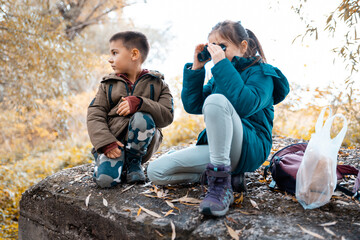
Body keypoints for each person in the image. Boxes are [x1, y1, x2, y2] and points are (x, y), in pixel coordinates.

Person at [147, 20, 289, 217]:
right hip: (220, 151)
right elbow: (193, 105)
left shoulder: (263, 74)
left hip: (249, 146)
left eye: (222, 47)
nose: (216, 52)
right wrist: (197, 68)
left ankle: (221, 186)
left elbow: (244, 105)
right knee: (156, 171)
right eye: (211, 47)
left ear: (243, 46)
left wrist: (221, 64)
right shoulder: (219, 76)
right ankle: (227, 176)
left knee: (216, 100)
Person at [87, 31, 174, 188]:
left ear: (134, 54)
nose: (110, 59)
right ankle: (105, 162)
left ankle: (134, 163)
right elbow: (95, 115)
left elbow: (167, 116)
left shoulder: (158, 84)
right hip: (114, 144)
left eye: (115, 53)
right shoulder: (108, 85)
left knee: (143, 117)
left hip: (142, 146)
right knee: (107, 181)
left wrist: (141, 103)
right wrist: (106, 143)